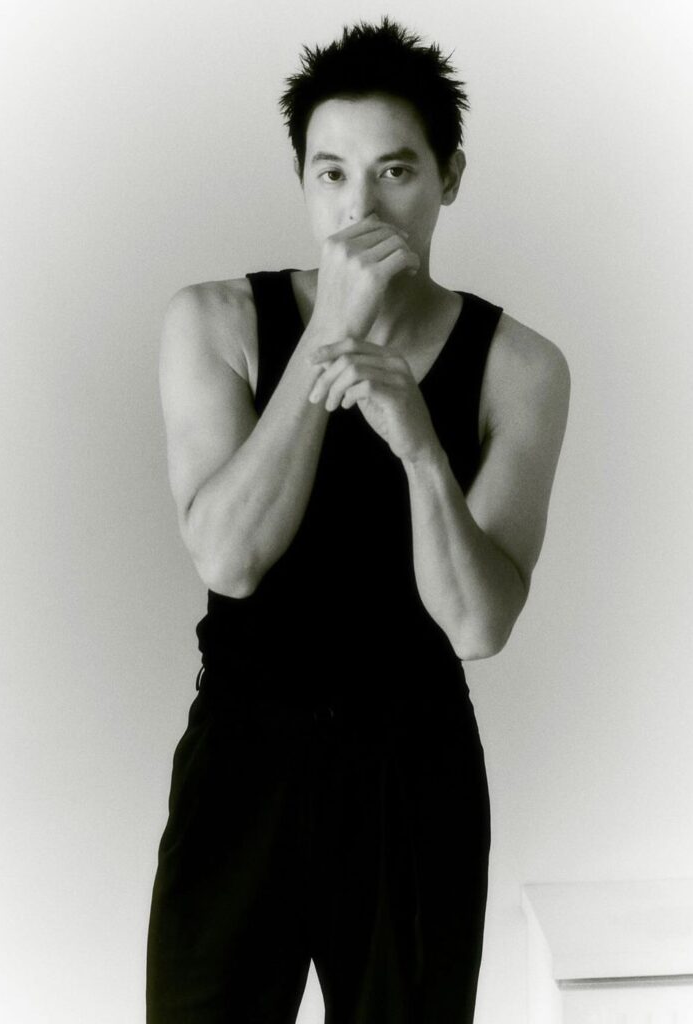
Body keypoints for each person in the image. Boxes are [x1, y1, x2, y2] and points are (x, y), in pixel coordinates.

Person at [147, 17, 570, 1024]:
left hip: (413, 767)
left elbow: (477, 626)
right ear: (302, 181)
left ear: (448, 177)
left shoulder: (520, 366)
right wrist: (330, 331)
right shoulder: (215, 321)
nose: (360, 208)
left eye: (395, 172)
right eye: (330, 174)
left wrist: (419, 444)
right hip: (243, 755)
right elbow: (229, 559)